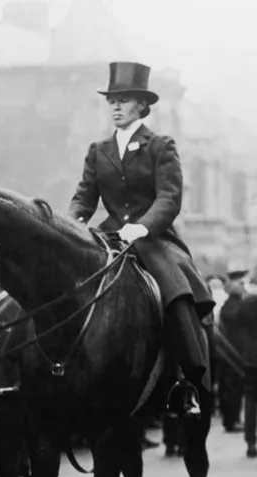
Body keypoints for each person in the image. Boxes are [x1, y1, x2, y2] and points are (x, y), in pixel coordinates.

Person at [69, 62, 214, 419]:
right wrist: (70, 223)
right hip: (110, 233)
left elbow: (169, 198)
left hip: (153, 237)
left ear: (142, 106)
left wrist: (144, 226)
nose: (115, 107)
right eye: (112, 101)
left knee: (175, 290)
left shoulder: (160, 145)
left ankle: (188, 380)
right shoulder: (97, 149)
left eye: (123, 100)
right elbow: (84, 197)